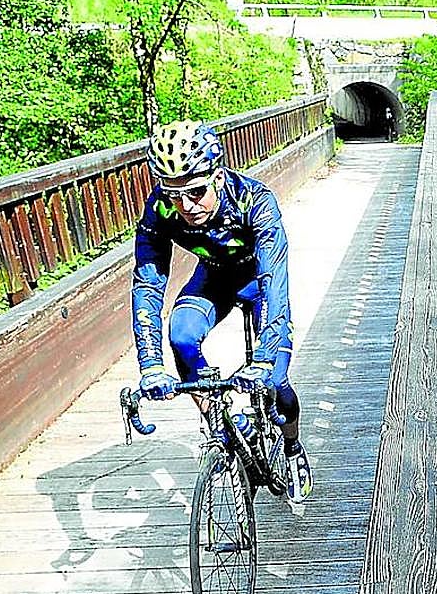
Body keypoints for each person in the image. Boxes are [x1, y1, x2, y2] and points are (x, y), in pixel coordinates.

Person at [131, 120, 313, 504]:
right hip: (214, 279)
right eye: (174, 194)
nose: (186, 206)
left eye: (196, 191)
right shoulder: (161, 209)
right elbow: (148, 284)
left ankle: (293, 446)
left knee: (275, 379)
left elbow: (274, 279)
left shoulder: (254, 200)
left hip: (260, 282)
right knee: (180, 336)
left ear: (217, 175)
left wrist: (264, 359)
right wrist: (150, 365)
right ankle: (224, 422)